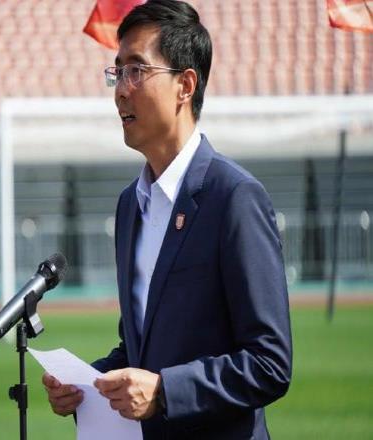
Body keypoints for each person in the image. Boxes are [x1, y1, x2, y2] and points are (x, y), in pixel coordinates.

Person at [42, 1, 292, 438]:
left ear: (185, 86)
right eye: (117, 72)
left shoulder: (233, 197)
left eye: (137, 70)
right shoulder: (130, 205)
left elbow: (269, 363)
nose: (121, 90)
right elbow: (140, 350)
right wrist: (87, 384)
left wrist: (164, 392)